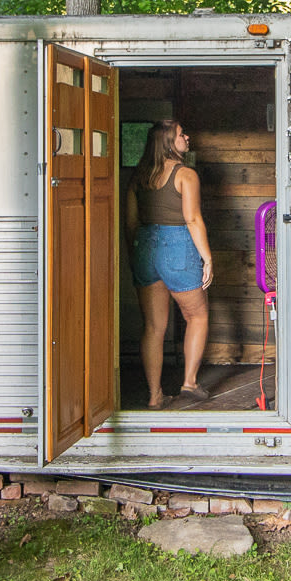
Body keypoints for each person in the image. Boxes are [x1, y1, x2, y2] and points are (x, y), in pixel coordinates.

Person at [125, 118, 213, 406]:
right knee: (196, 316)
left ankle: (154, 396)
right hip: (178, 247)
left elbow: (131, 223)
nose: (186, 137)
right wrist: (207, 258)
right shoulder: (185, 174)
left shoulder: (138, 176)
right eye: (180, 134)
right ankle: (189, 383)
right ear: (168, 142)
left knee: (153, 328)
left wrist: (134, 256)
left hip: (145, 246)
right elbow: (192, 218)